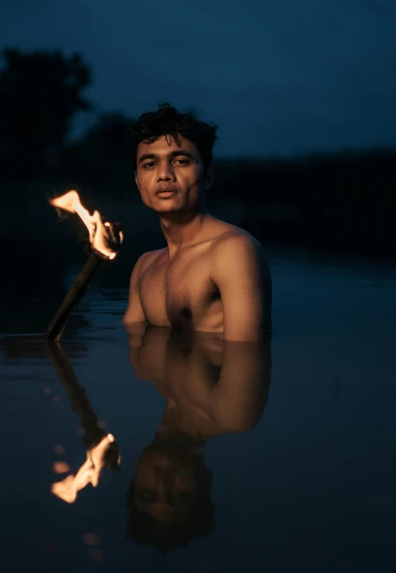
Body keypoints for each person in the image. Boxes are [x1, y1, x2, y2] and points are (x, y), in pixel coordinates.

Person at [122, 103, 272, 340]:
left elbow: (246, 364)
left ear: (208, 175)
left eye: (180, 161)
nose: (164, 175)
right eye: (150, 164)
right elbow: (138, 358)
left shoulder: (234, 250)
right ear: (138, 182)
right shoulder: (144, 266)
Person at [126, 326, 271, 550]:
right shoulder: (233, 413)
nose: (163, 481)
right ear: (204, 480)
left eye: (147, 492)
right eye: (179, 496)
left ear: (136, 472)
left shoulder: (142, 364)